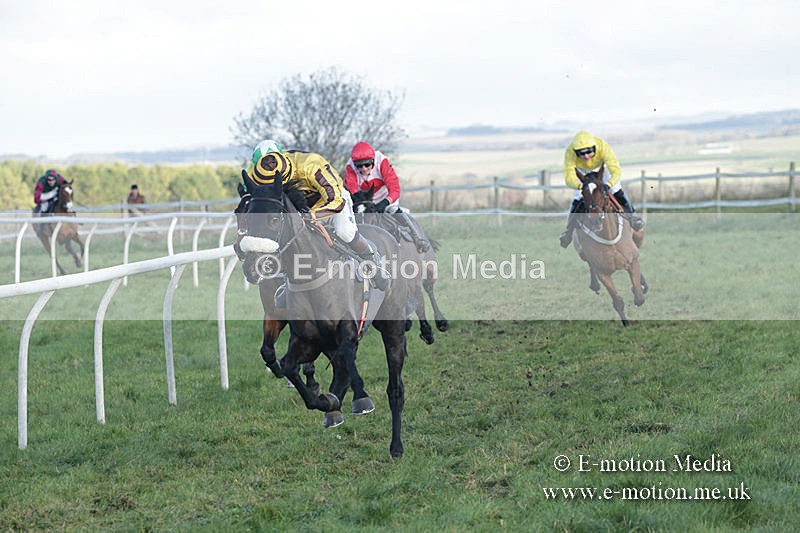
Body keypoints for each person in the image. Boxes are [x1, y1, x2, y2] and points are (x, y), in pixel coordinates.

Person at [246, 149, 388, 290]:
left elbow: (336, 202)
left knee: (345, 232)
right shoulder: (261, 170)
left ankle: (373, 264)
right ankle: (287, 284)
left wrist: (311, 216)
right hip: (299, 203)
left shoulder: (311, 166)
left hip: (333, 199)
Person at [560, 131, 645, 248]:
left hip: (602, 169)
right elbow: (569, 176)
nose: (585, 156)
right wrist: (580, 186)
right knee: (578, 197)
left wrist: (609, 184)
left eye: (589, 152)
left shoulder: (603, 147)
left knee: (615, 189)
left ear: (594, 147)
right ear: (575, 151)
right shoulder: (570, 152)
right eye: (581, 153)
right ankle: (568, 232)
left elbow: (615, 170)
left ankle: (632, 217)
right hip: (582, 171)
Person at [343, 141, 430, 253]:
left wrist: (384, 202)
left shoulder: (382, 161)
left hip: (385, 197)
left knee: (392, 210)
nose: (363, 169)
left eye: (367, 164)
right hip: (365, 200)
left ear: (373, 160)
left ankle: (418, 239)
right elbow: (353, 192)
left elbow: (394, 189)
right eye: (359, 165)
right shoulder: (350, 167)